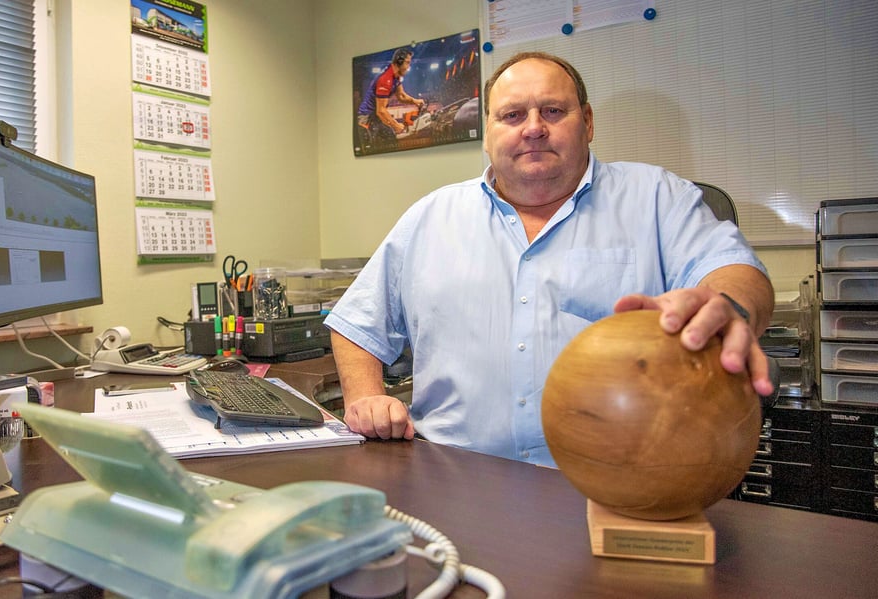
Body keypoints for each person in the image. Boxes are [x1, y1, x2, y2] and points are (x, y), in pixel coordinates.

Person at [325, 51, 775, 467]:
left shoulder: (657, 197)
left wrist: (730, 310)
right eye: (512, 115)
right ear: (488, 133)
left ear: (589, 122)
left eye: (553, 111)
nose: (534, 127)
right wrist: (366, 399)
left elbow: (736, 271)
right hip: (454, 480)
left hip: (624, 485)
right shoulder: (430, 217)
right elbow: (358, 325)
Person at [356, 47, 426, 151]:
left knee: (391, 140)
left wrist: (415, 101)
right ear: (399, 61)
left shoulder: (396, 77)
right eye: (407, 63)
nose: (408, 67)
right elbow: (381, 111)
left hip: (375, 117)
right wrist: (396, 125)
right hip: (366, 118)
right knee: (370, 148)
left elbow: (401, 96)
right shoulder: (386, 79)